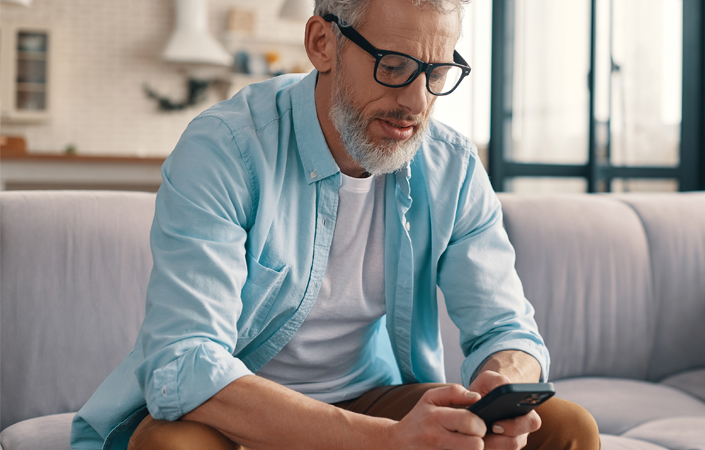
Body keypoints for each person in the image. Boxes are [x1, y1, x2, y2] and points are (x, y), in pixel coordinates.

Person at [70, 0, 601, 449]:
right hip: (238, 413)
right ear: (322, 43)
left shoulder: (451, 167)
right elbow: (186, 360)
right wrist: (385, 441)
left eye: (437, 73)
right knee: (171, 446)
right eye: (394, 65)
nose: (416, 101)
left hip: (368, 397)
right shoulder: (225, 148)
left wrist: (499, 390)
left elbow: (507, 329)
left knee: (567, 428)